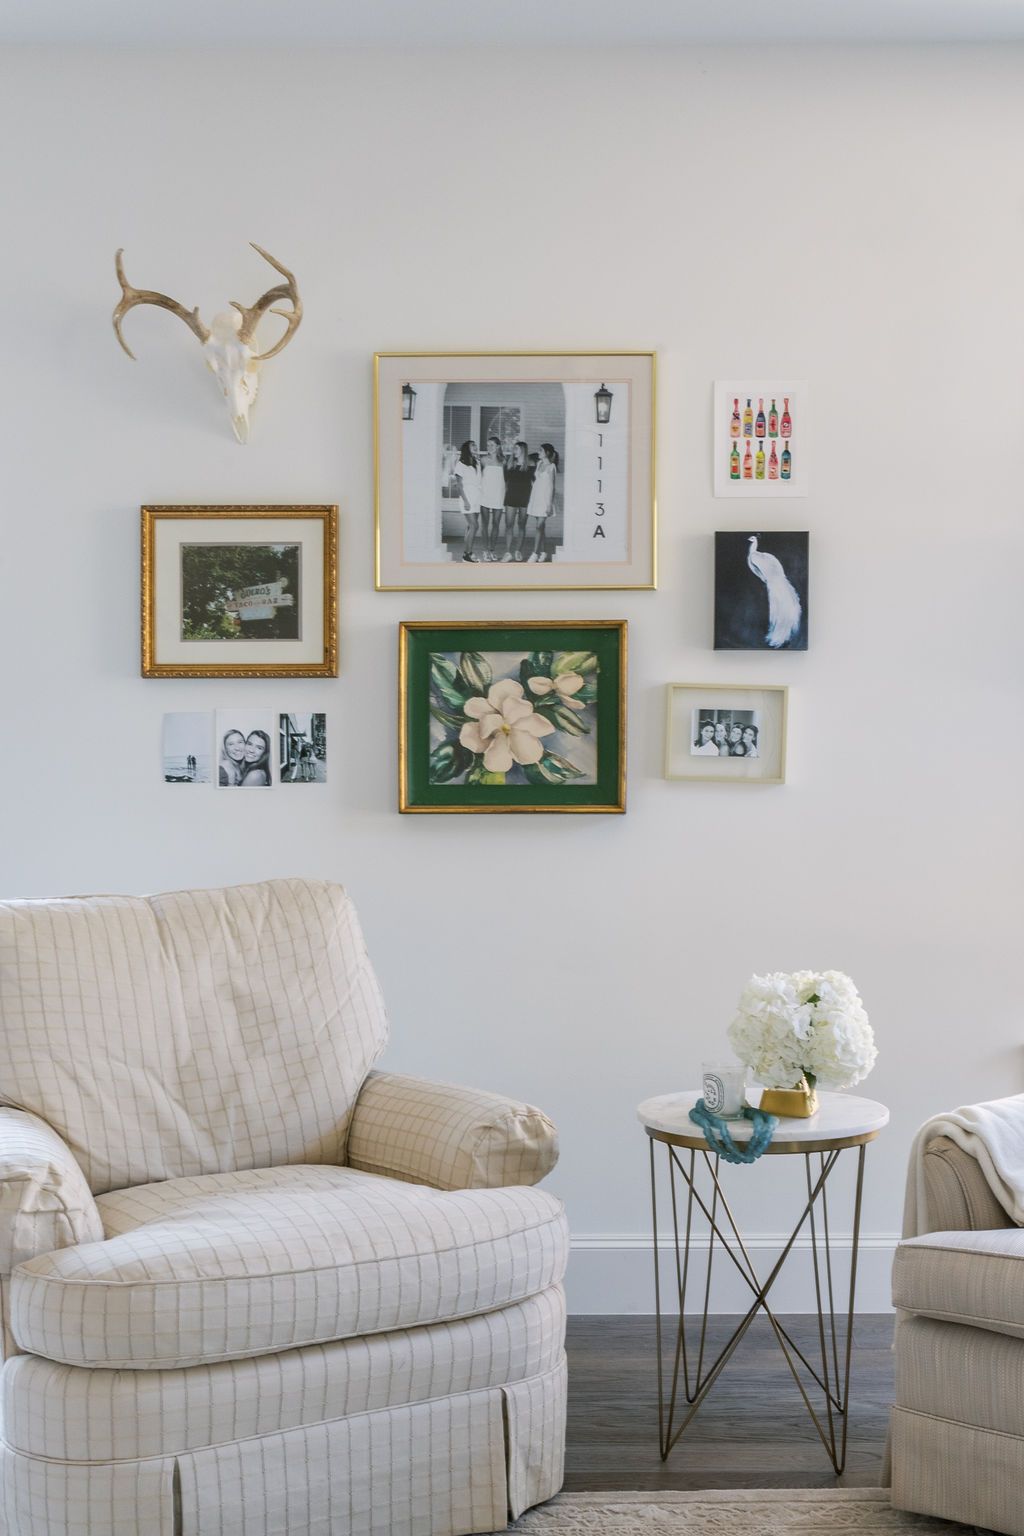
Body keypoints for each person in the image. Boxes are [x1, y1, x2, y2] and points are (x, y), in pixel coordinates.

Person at [501, 441, 533, 562]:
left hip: (525, 497)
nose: (514, 451)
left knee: (521, 525)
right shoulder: (509, 464)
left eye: (517, 449)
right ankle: (508, 552)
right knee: (509, 524)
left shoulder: (531, 465)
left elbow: (535, 482)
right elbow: (506, 481)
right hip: (511, 496)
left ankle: (518, 551)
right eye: (514, 449)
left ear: (523, 450)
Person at [526, 442, 558, 563]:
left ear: (547, 453)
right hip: (536, 498)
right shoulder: (539, 463)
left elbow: (552, 487)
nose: (538, 452)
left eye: (541, 450)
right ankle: (544, 552)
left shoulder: (552, 467)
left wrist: (549, 504)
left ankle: (535, 553)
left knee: (539, 526)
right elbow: (537, 479)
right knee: (541, 528)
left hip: (545, 500)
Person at [452, 440, 482, 563]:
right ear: (467, 448)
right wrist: (465, 501)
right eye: (472, 445)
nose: (475, 447)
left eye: (476, 445)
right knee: (475, 525)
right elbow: (459, 485)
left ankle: (468, 552)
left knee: (471, 527)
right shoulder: (460, 464)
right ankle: (467, 554)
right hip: (467, 498)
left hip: (477, 498)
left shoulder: (477, 463)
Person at [479, 436, 507, 562]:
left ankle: (492, 550)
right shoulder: (483, 460)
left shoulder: (504, 461)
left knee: (496, 524)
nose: (489, 447)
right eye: (488, 445)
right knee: (485, 524)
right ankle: (485, 550)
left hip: (498, 495)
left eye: (492, 445)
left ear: (498, 446)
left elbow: (506, 480)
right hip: (485, 495)